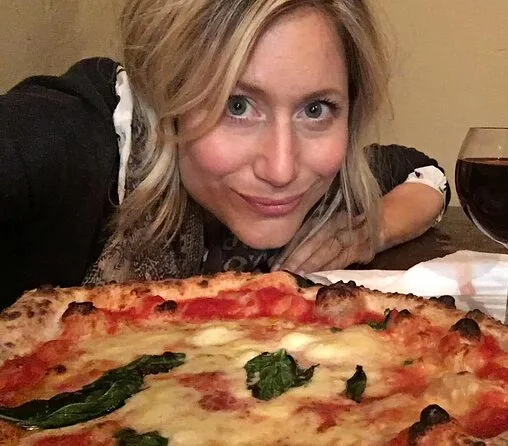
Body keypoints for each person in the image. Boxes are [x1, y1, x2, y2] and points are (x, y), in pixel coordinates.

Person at [0, 0, 449, 309]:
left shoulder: (329, 172)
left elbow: (422, 172)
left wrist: (369, 233)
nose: (282, 169)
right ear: (166, 92)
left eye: (315, 109)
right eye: (237, 105)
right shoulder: (68, 137)